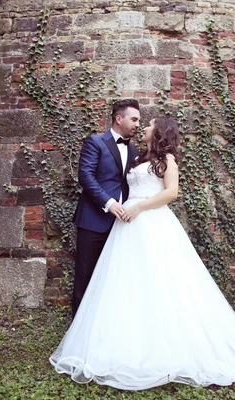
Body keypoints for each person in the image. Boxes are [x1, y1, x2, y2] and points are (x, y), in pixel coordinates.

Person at [51, 116, 235, 390]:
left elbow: (171, 193)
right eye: (138, 121)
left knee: (162, 279)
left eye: (148, 124)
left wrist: (139, 207)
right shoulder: (137, 157)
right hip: (126, 226)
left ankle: (164, 343)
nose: (142, 127)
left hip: (151, 222)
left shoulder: (168, 159)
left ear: (159, 131)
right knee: (126, 281)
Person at [72, 99, 140, 317]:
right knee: (86, 273)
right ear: (119, 119)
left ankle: (108, 321)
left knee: (115, 275)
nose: (138, 124)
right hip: (94, 220)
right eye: (134, 119)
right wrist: (109, 203)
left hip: (123, 225)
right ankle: (79, 325)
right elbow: (86, 176)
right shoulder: (95, 142)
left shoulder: (135, 151)